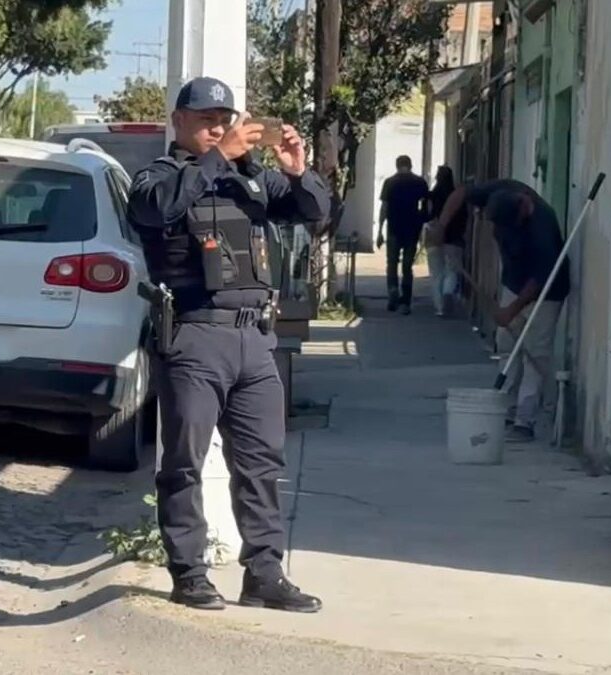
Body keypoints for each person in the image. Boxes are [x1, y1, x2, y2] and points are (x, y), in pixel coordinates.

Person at [127, 76, 330, 613]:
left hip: (255, 338)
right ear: (179, 122)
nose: (217, 128)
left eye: (224, 119)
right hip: (195, 333)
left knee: (261, 463)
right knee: (184, 462)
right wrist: (218, 157)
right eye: (205, 120)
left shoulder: (251, 178)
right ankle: (189, 572)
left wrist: (296, 169)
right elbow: (155, 208)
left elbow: (314, 210)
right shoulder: (160, 176)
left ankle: (264, 573)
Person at [436, 178, 569, 443]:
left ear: (523, 208)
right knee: (507, 345)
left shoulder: (542, 227)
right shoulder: (498, 192)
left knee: (535, 353)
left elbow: (540, 279)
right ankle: (503, 409)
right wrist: (441, 225)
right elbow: (461, 192)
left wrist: (512, 309)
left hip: (544, 292)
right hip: (514, 281)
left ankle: (524, 421)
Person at [377, 155, 430, 314]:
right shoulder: (419, 182)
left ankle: (393, 290)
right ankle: (405, 302)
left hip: (393, 228)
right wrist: (422, 223)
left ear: (397, 165)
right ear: (411, 165)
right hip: (412, 228)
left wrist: (379, 229)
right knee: (407, 266)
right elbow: (426, 206)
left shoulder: (390, 182)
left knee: (391, 264)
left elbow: (384, 207)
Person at [423, 166, 466, 316]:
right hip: (454, 239)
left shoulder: (432, 196)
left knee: (436, 274)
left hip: (434, 238)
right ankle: (448, 293)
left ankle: (440, 307)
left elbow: (425, 216)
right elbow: (464, 219)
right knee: (451, 271)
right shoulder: (457, 196)